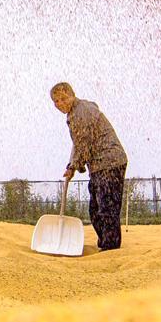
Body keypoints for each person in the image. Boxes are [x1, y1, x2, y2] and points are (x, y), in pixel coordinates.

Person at [51, 82, 128, 250]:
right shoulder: (74, 114)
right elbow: (77, 144)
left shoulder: (82, 112)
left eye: (63, 98)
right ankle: (105, 244)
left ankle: (111, 248)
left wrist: (73, 167)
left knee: (107, 208)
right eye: (56, 101)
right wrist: (71, 165)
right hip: (98, 166)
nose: (60, 104)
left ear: (72, 95)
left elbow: (83, 143)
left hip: (109, 162)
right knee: (95, 209)